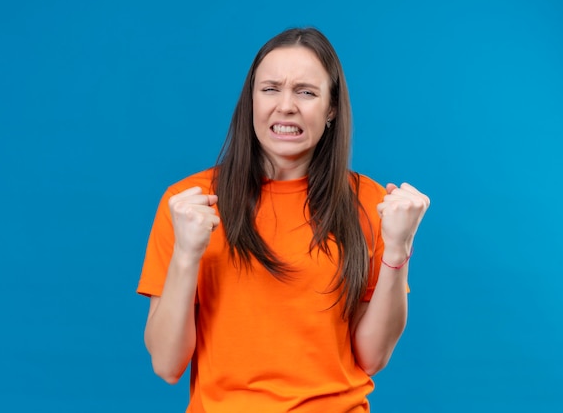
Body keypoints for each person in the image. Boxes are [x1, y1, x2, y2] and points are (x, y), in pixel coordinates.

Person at [137, 27, 430, 412]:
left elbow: (372, 357)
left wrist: (399, 249)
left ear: (331, 108)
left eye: (306, 92)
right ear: (251, 101)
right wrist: (186, 255)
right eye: (270, 89)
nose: (286, 106)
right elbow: (166, 364)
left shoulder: (370, 204)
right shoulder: (188, 204)